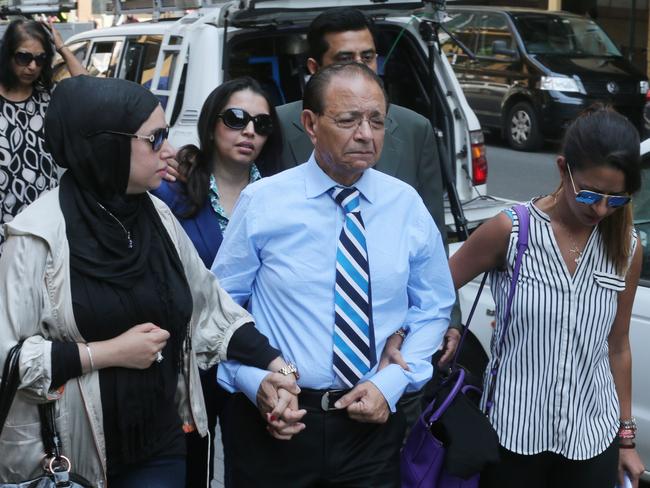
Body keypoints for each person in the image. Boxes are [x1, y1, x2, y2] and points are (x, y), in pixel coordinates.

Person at [0, 76, 297, 488]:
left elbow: (211, 309)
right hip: (72, 454)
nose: (169, 151)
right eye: (155, 139)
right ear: (106, 145)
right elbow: (9, 359)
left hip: (160, 442)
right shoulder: (36, 236)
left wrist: (277, 366)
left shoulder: (158, 216)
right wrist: (106, 353)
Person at [213, 62, 455, 487]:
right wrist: (255, 382)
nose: (366, 134)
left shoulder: (405, 205)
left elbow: (433, 305)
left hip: (370, 429)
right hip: (277, 421)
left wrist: (393, 381)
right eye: (348, 120)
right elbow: (219, 307)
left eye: (377, 121)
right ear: (310, 123)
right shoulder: (265, 201)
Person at [448, 106, 645, 488]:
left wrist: (627, 439)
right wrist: (449, 327)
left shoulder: (627, 247)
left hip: (592, 439)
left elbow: (618, 346)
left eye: (615, 199)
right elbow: (436, 289)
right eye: (589, 194)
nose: (602, 210)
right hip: (512, 437)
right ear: (561, 169)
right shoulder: (511, 231)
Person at [275, 7, 462, 365]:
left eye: (368, 56)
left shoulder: (413, 129)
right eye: (345, 58)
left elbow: (432, 234)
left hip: (392, 331)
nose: (361, 66)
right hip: (304, 333)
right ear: (315, 68)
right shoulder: (280, 125)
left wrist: (447, 318)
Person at [152, 76, 282, 488]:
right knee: (190, 468)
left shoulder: (281, 196)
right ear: (211, 123)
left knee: (256, 469)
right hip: (188, 359)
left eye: (261, 124)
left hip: (257, 357)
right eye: (237, 118)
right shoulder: (172, 191)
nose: (249, 131)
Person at [0, 18, 86, 253]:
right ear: (7, 54)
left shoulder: (49, 97)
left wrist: (61, 47)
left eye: (40, 59)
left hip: (45, 225)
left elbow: (88, 90)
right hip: (5, 228)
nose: (32, 67)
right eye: (23, 57)